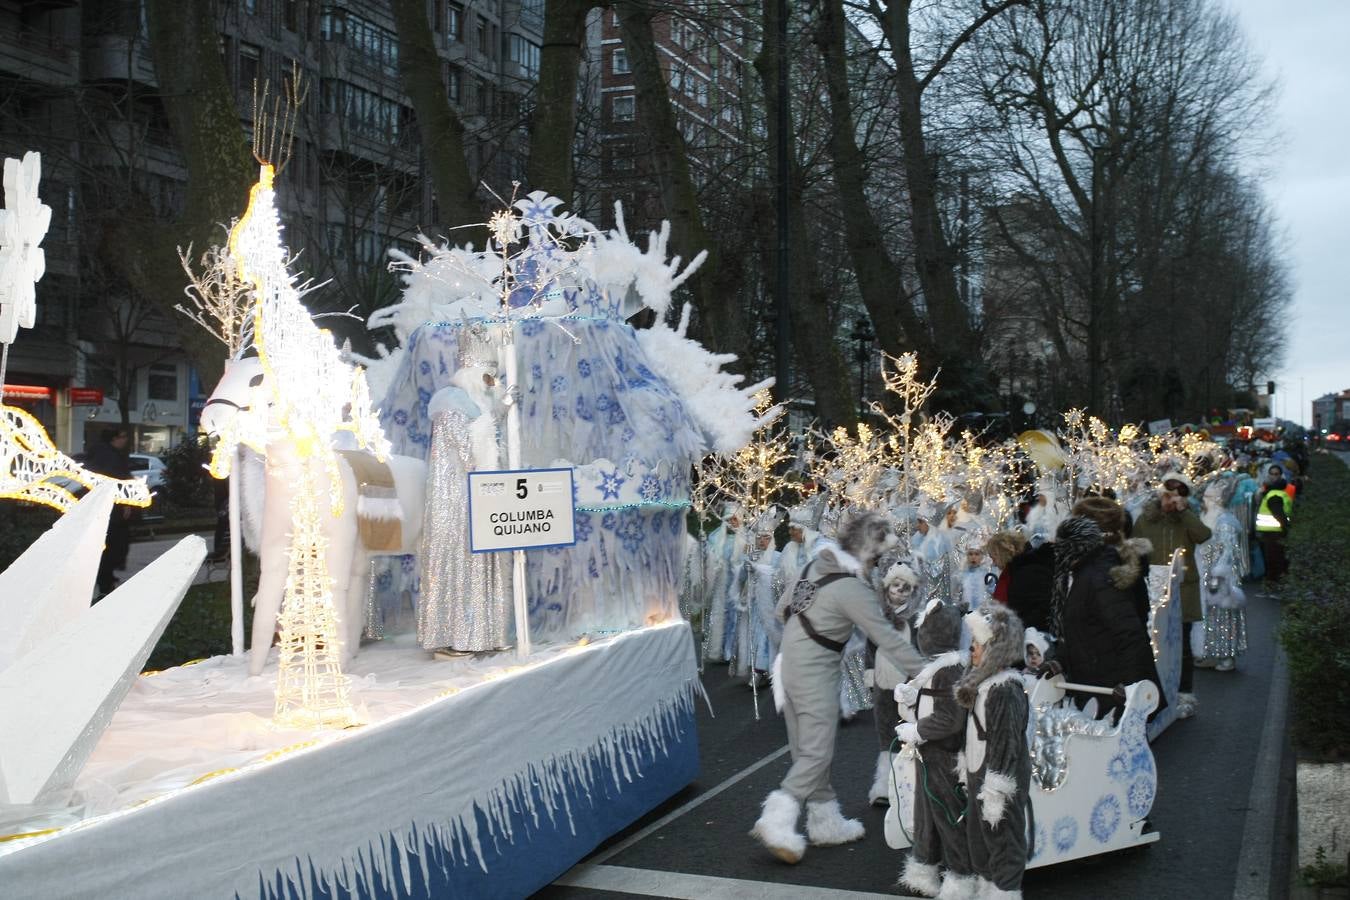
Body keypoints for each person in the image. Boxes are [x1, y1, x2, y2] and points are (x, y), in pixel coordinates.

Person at [752, 512, 926, 864]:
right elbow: (889, 640)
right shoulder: (853, 588)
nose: (879, 565)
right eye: (877, 556)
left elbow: (784, 609)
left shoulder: (814, 566)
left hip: (788, 663)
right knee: (816, 753)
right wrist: (931, 672)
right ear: (866, 550)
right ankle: (777, 818)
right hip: (815, 669)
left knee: (806, 749)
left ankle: (825, 821)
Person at [418, 351, 514, 655]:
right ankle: (457, 638)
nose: (490, 384)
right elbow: (467, 453)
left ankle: (482, 635)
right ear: (472, 374)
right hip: (457, 498)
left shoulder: (473, 404)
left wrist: (504, 406)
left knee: (481, 558)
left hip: (477, 494)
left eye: (493, 378)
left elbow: (484, 434)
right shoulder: (451, 403)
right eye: (486, 377)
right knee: (461, 558)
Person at [1051, 516, 1167, 723]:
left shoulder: (1097, 578)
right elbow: (1080, 629)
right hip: (1099, 681)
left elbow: (1129, 632)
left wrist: (1131, 685)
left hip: (1111, 686)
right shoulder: (1085, 573)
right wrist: (1059, 659)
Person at [894, 600, 970, 898]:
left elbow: (949, 719)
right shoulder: (938, 668)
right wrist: (908, 701)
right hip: (930, 754)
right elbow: (929, 706)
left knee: (948, 817)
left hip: (944, 754)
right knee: (927, 816)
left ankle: (961, 877)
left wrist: (917, 730)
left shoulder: (950, 670)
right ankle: (923, 869)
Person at [959, 605, 1032, 900]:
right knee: (979, 837)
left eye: (978, 645)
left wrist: (995, 789)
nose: (972, 651)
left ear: (996, 650)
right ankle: (987, 886)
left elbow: (1006, 741)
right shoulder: (984, 684)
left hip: (998, 779)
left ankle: (1005, 891)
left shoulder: (1005, 688)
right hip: (979, 771)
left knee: (1004, 838)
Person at [1131, 472, 1212, 719]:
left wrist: (1184, 512)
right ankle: (1153, 694)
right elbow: (1134, 548)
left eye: (1176, 495)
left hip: (1182, 589)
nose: (1171, 500)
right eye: (1167, 494)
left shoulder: (1186, 518)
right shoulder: (1146, 518)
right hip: (1152, 588)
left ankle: (1184, 693)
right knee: (1153, 644)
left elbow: (1204, 535)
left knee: (1182, 645)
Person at [866, 561, 922, 806]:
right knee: (884, 734)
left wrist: (918, 682)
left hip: (907, 685)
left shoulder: (916, 620)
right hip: (882, 682)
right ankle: (884, 785)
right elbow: (870, 647)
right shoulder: (878, 617)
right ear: (886, 589)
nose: (899, 592)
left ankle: (909, 784)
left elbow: (921, 651)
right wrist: (870, 676)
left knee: (908, 733)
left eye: (905, 587)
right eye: (895, 586)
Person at [1197, 478, 1249, 672]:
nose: (1204, 500)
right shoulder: (1207, 516)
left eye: (1208, 497)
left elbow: (1228, 552)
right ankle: (1210, 652)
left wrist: (1217, 575)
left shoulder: (1224, 522)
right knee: (1209, 615)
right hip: (1205, 571)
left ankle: (1226, 656)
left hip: (1219, 576)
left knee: (1223, 615)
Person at [86, 428, 133, 596]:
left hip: (98, 508)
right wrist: (126, 502)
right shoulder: (111, 457)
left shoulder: (96, 454)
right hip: (112, 511)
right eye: (123, 436)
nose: (125, 440)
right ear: (114, 439)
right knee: (113, 546)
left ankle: (105, 577)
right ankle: (105, 582)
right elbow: (118, 480)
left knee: (104, 546)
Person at [988, 530, 1054, 633]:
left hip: (1034, 637)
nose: (994, 564)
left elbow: (1044, 607)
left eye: (994, 558)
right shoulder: (1016, 570)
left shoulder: (1030, 570)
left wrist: (1019, 626)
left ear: (1002, 553)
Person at [1255, 476, 1292, 582]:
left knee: (1272, 558)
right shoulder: (1276, 496)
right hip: (1275, 533)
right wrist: (1286, 528)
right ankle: (1275, 583)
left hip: (1270, 532)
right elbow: (1279, 514)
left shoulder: (1271, 495)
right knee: (1276, 559)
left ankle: (1273, 583)